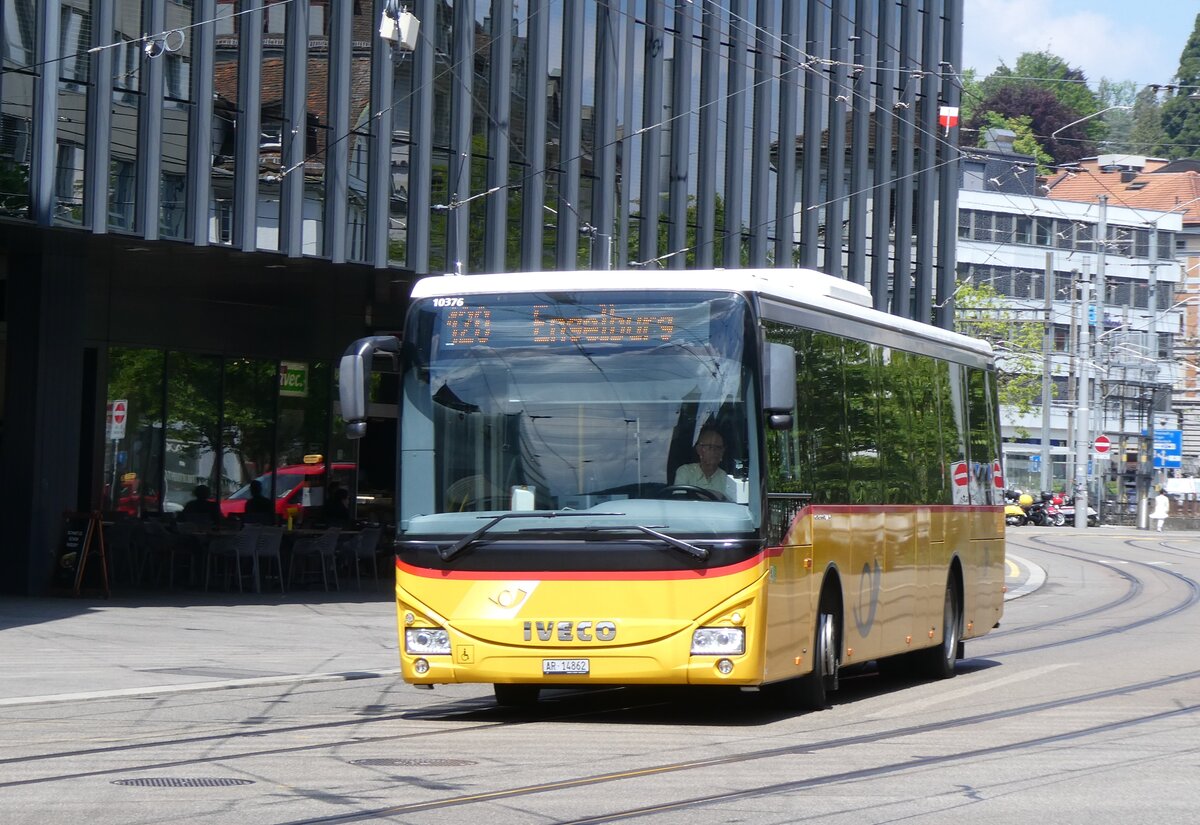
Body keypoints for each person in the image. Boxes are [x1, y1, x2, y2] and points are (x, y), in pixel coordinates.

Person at [673, 426, 731, 498]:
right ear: (699, 450)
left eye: (719, 448)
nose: (715, 451)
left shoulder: (725, 477)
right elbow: (679, 499)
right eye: (710, 447)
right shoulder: (685, 471)